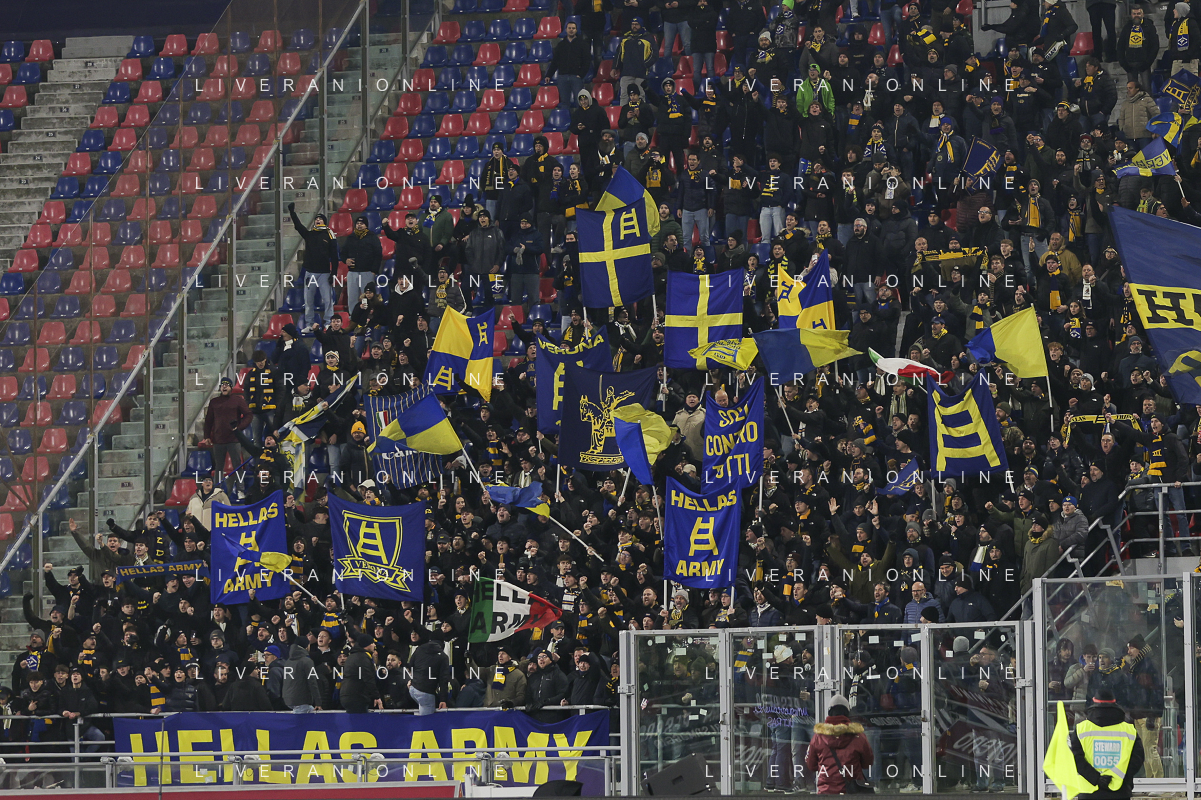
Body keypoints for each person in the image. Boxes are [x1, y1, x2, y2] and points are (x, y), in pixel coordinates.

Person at [1069, 688, 1145, 799]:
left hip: (1089, 791)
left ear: (1094, 702)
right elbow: (1137, 758)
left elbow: (1076, 759)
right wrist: (1120, 777)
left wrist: (1096, 778)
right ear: (1115, 703)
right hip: (1120, 791)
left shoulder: (1081, 729)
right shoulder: (1129, 730)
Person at [806, 693, 873, 794]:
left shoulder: (818, 737)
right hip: (852, 793)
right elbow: (867, 763)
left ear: (829, 712)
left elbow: (811, 765)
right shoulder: (859, 737)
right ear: (847, 713)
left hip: (826, 793)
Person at [289, 202, 340, 329]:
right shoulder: (309, 234)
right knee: (308, 300)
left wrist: (333, 273)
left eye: (320, 219)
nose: (317, 220)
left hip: (324, 273)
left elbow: (334, 256)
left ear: (324, 222)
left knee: (328, 300)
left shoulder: (329, 235)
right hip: (310, 272)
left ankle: (328, 323)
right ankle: (310, 324)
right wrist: (292, 213)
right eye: (316, 219)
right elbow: (298, 226)